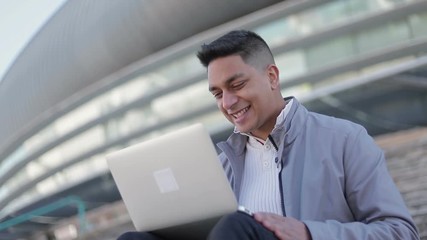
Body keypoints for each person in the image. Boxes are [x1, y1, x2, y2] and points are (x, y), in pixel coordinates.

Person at [118, 30, 420, 239]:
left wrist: (309, 233)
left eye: (236, 86)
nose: (227, 103)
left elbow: (400, 232)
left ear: (272, 77)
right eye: (217, 93)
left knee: (237, 227)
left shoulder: (344, 139)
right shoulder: (221, 168)